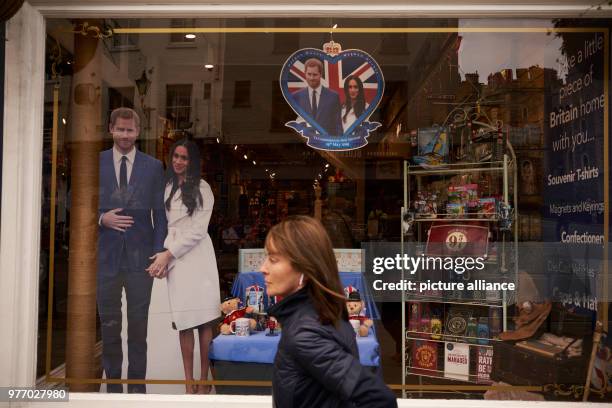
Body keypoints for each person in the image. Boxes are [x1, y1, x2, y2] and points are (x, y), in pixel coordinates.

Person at [261, 216, 397, 408]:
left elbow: (378, 398)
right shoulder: (323, 313)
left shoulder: (305, 334)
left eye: (273, 260)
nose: (263, 268)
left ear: (305, 269)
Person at [97, 107, 167, 393]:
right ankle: (113, 392)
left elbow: (160, 214)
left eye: (130, 130)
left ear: (138, 132)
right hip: (106, 260)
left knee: (139, 332)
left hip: (141, 262)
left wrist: (158, 252)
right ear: (110, 129)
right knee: (110, 329)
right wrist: (101, 219)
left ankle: (138, 394)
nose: (125, 135)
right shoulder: (96, 162)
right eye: (120, 129)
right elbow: (73, 202)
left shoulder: (153, 166)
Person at [146, 139, 221, 394]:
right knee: (183, 320)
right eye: (176, 156)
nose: (178, 161)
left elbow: (198, 231)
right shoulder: (166, 186)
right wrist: (163, 256)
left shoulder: (203, 188)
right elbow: (165, 225)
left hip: (198, 257)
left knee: (203, 320)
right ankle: (188, 384)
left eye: (184, 158)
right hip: (174, 256)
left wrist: (168, 254)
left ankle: (204, 381)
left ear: (193, 162)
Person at [293, 58, 343, 136]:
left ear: (321, 74)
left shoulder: (333, 96)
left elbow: (338, 125)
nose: (311, 78)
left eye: (315, 75)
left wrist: (337, 145)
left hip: (327, 144)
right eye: (309, 74)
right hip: (303, 144)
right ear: (305, 73)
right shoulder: (296, 96)